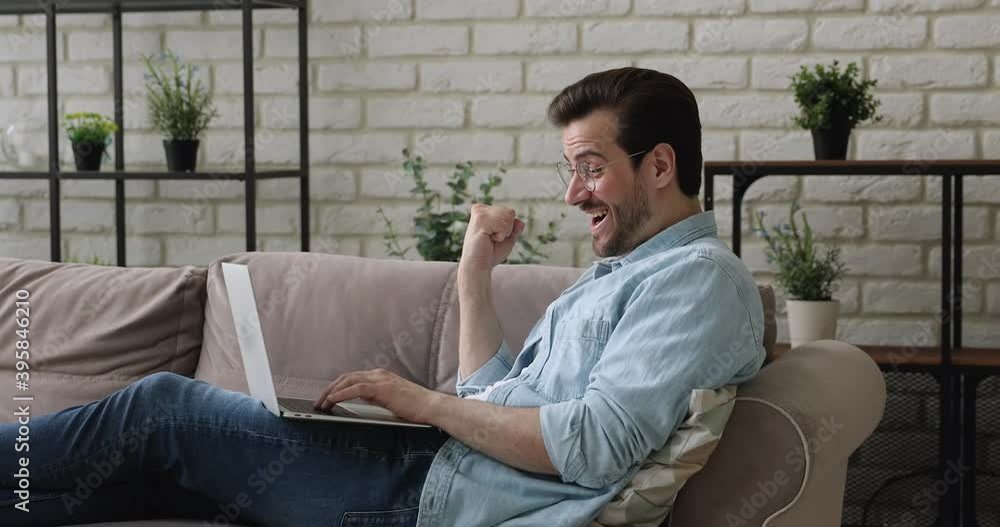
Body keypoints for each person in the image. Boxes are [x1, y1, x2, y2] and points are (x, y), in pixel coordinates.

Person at [0, 67, 764, 526]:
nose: (573, 193)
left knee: (167, 408)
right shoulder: (623, 273)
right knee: (156, 474)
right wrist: (473, 275)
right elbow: (492, 401)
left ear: (659, 165)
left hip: (426, 493)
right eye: (572, 171)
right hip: (436, 470)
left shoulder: (696, 281)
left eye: (591, 168)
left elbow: (594, 447)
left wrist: (421, 402)